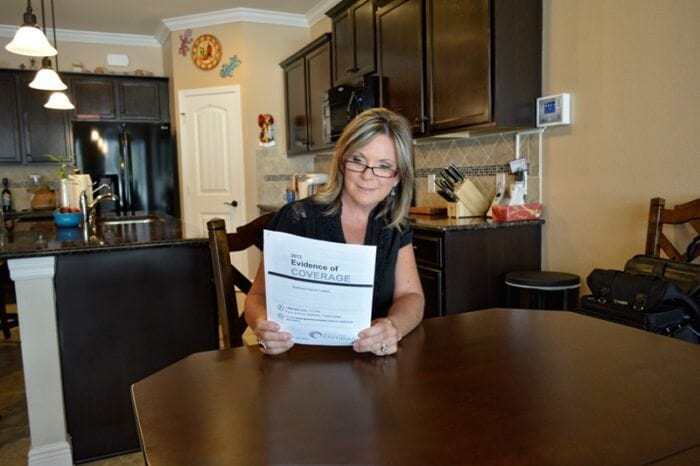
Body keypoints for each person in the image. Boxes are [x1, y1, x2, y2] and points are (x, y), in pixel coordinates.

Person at [244, 108, 424, 356]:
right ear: (342, 162)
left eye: (383, 166)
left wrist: (393, 328)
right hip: (301, 360)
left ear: (397, 177)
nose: (367, 175)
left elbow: (412, 296)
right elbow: (257, 296)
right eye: (358, 160)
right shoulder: (297, 218)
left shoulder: (394, 224)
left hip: (372, 364)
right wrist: (263, 326)